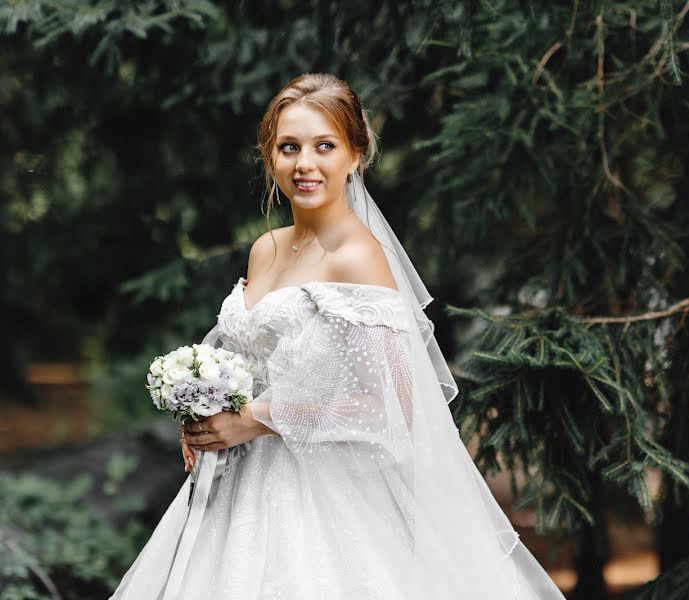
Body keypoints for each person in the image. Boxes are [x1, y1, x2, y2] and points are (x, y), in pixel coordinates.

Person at [110, 73, 566, 599]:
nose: (305, 163)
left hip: (325, 498)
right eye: (289, 147)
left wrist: (255, 421)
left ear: (355, 154)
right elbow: (246, 365)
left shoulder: (358, 256)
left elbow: (392, 404)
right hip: (237, 492)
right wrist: (206, 416)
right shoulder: (267, 249)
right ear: (270, 158)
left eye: (324, 146)